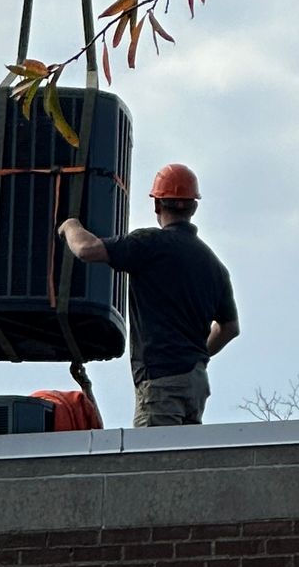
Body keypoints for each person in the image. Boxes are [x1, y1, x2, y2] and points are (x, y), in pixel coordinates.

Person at [58, 162, 239, 427]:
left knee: (152, 459)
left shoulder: (149, 244)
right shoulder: (214, 265)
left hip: (162, 382)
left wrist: (69, 226)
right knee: (184, 461)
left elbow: (87, 250)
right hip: (195, 383)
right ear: (194, 207)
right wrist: (197, 356)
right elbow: (229, 328)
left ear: (157, 205)